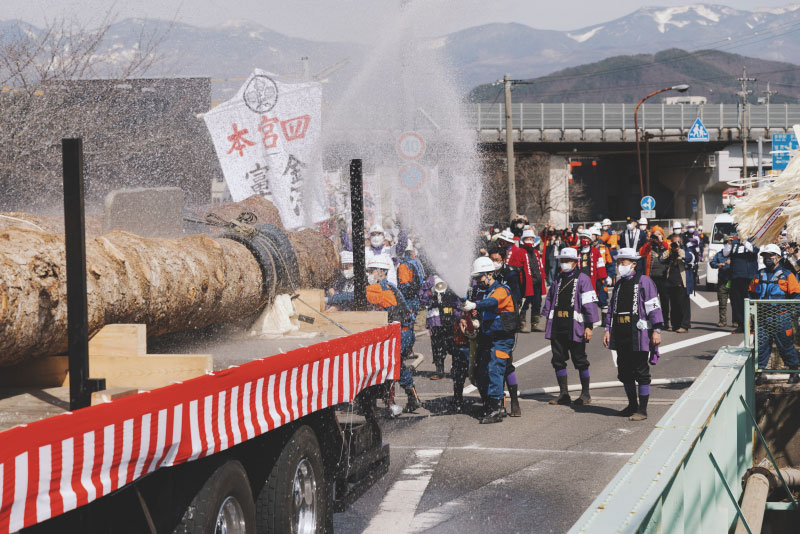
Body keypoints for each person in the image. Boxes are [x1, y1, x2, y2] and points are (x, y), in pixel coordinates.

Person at [603, 248, 664, 421]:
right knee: (624, 371)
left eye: (623, 262)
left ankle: (642, 409)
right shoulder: (619, 284)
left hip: (639, 333)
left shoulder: (644, 281)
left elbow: (653, 306)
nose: (620, 266)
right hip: (621, 333)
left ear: (633, 264)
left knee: (641, 371)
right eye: (618, 263)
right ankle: (631, 405)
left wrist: (657, 330)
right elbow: (611, 310)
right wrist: (608, 329)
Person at [462, 257, 518, 424]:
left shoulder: (501, 290)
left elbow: (492, 303)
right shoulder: (487, 291)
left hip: (502, 339)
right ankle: (491, 404)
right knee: (481, 371)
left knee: (495, 369)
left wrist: (474, 306)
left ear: (489, 274)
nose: (478, 280)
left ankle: (496, 408)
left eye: (480, 277)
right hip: (488, 337)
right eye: (476, 277)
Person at [541, 248, 600, 406]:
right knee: (558, 359)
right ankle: (564, 393)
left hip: (575, 326)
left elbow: (589, 304)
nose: (564, 263)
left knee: (580, 360)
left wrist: (589, 327)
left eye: (567, 261)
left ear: (575, 262)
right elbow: (549, 299)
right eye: (562, 261)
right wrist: (547, 319)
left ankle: (585, 393)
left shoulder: (583, 279)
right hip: (557, 326)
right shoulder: (557, 279)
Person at [749, 244, 800, 384]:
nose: (767, 259)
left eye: (770, 256)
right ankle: (758, 373)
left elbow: (797, 295)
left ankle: (794, 372)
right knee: (761, 346)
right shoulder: (759, 275)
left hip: (781, 316)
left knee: (786, 345)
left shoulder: (788, 275)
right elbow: (751, 293)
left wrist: (793, 313)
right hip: (762, 317)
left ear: (778, 257)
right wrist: (751, 312)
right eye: (765, 256)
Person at [421, 275, 460, 380]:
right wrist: (430, 292)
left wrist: (459, 315)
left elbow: (458, 299)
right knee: (437, 346)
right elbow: (422, 299)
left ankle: (455, 369)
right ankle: (439, 370)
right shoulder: (430, 280)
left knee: (454, 345)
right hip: (435, 319)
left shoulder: (453, 277)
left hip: (450, 317)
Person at [660, 233, 695, 333]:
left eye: (677, 242)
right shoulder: (669, 251)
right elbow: (661, 260)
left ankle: (685, 325)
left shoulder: (686, 249)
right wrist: (669, 250)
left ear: (681, 242)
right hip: (670, 281)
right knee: (674, 305)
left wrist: (679, 250)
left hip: (682, 281)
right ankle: (675, 325)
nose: (675, 244)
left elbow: (690, 258)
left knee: (683, 304)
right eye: (673, 242)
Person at [573, 229, 607, 326]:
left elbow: (600, 265)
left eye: (586, 238)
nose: (584, 240)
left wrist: (601, 279)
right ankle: (579, 320)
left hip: (592, 281)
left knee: (591, 301)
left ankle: (590, 321)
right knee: (579, 300)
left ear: (590, 239)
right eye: (582, 238)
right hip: (579, 281)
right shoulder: (577, 251)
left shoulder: (595, 251)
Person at [496, 230, 533, 311]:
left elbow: (527, 272)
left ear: (508, 242)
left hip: (514, 290)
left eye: (502, 241)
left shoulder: (520, 252)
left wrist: (528, 293)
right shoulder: (497, 252)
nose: (500, 242)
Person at [639, 228, 669, 328]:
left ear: (662, 235)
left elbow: (669, 249)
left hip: (663, 277)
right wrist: (649, 242)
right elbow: (641, 253)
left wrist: (661, 241)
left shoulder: (666, 244)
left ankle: (665, 321)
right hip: (651, 278)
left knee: (665, 300)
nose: (656, 236)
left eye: (659, 234)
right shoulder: (650, 246)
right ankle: (652, 321)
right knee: (651, 301)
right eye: (654, 234)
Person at [729, 237, 760, 333]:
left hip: (749, 276)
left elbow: (754, 250)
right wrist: (728, 243)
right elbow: (725, 253)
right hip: (735, 276)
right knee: (737, 302)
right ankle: (741, 325)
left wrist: (744, 240)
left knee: (751, 301)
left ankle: (754, 325)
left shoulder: (754, 240)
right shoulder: (734, 242)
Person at [520, 229, 546, 332]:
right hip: (527, 283)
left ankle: (535, 324)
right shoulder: (521, 251)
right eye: (528, 238)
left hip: (537, 282)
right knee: (525, 303)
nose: (530, 240)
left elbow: (540, 266)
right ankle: (522, 324)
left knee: (537, 303)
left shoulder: (535, 252)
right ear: (523, 239)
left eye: (531, 238)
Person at [709, 236, 733, 327]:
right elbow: (712, 263)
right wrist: (717, 265)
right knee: (722, 302)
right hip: (722, 281)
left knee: (735, 302)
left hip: (733, 281)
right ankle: (722, 321)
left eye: (730, 242)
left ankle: (736, 321)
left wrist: (732, 262)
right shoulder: (719, 254)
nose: (728, 244)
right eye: (727, 242)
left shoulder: (735, 254)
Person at [397, 243, 425, 316]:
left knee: (407, 319)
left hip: (409, 297)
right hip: (416, 295)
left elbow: (404, 284)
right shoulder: (416, 262)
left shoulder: (404, 265)